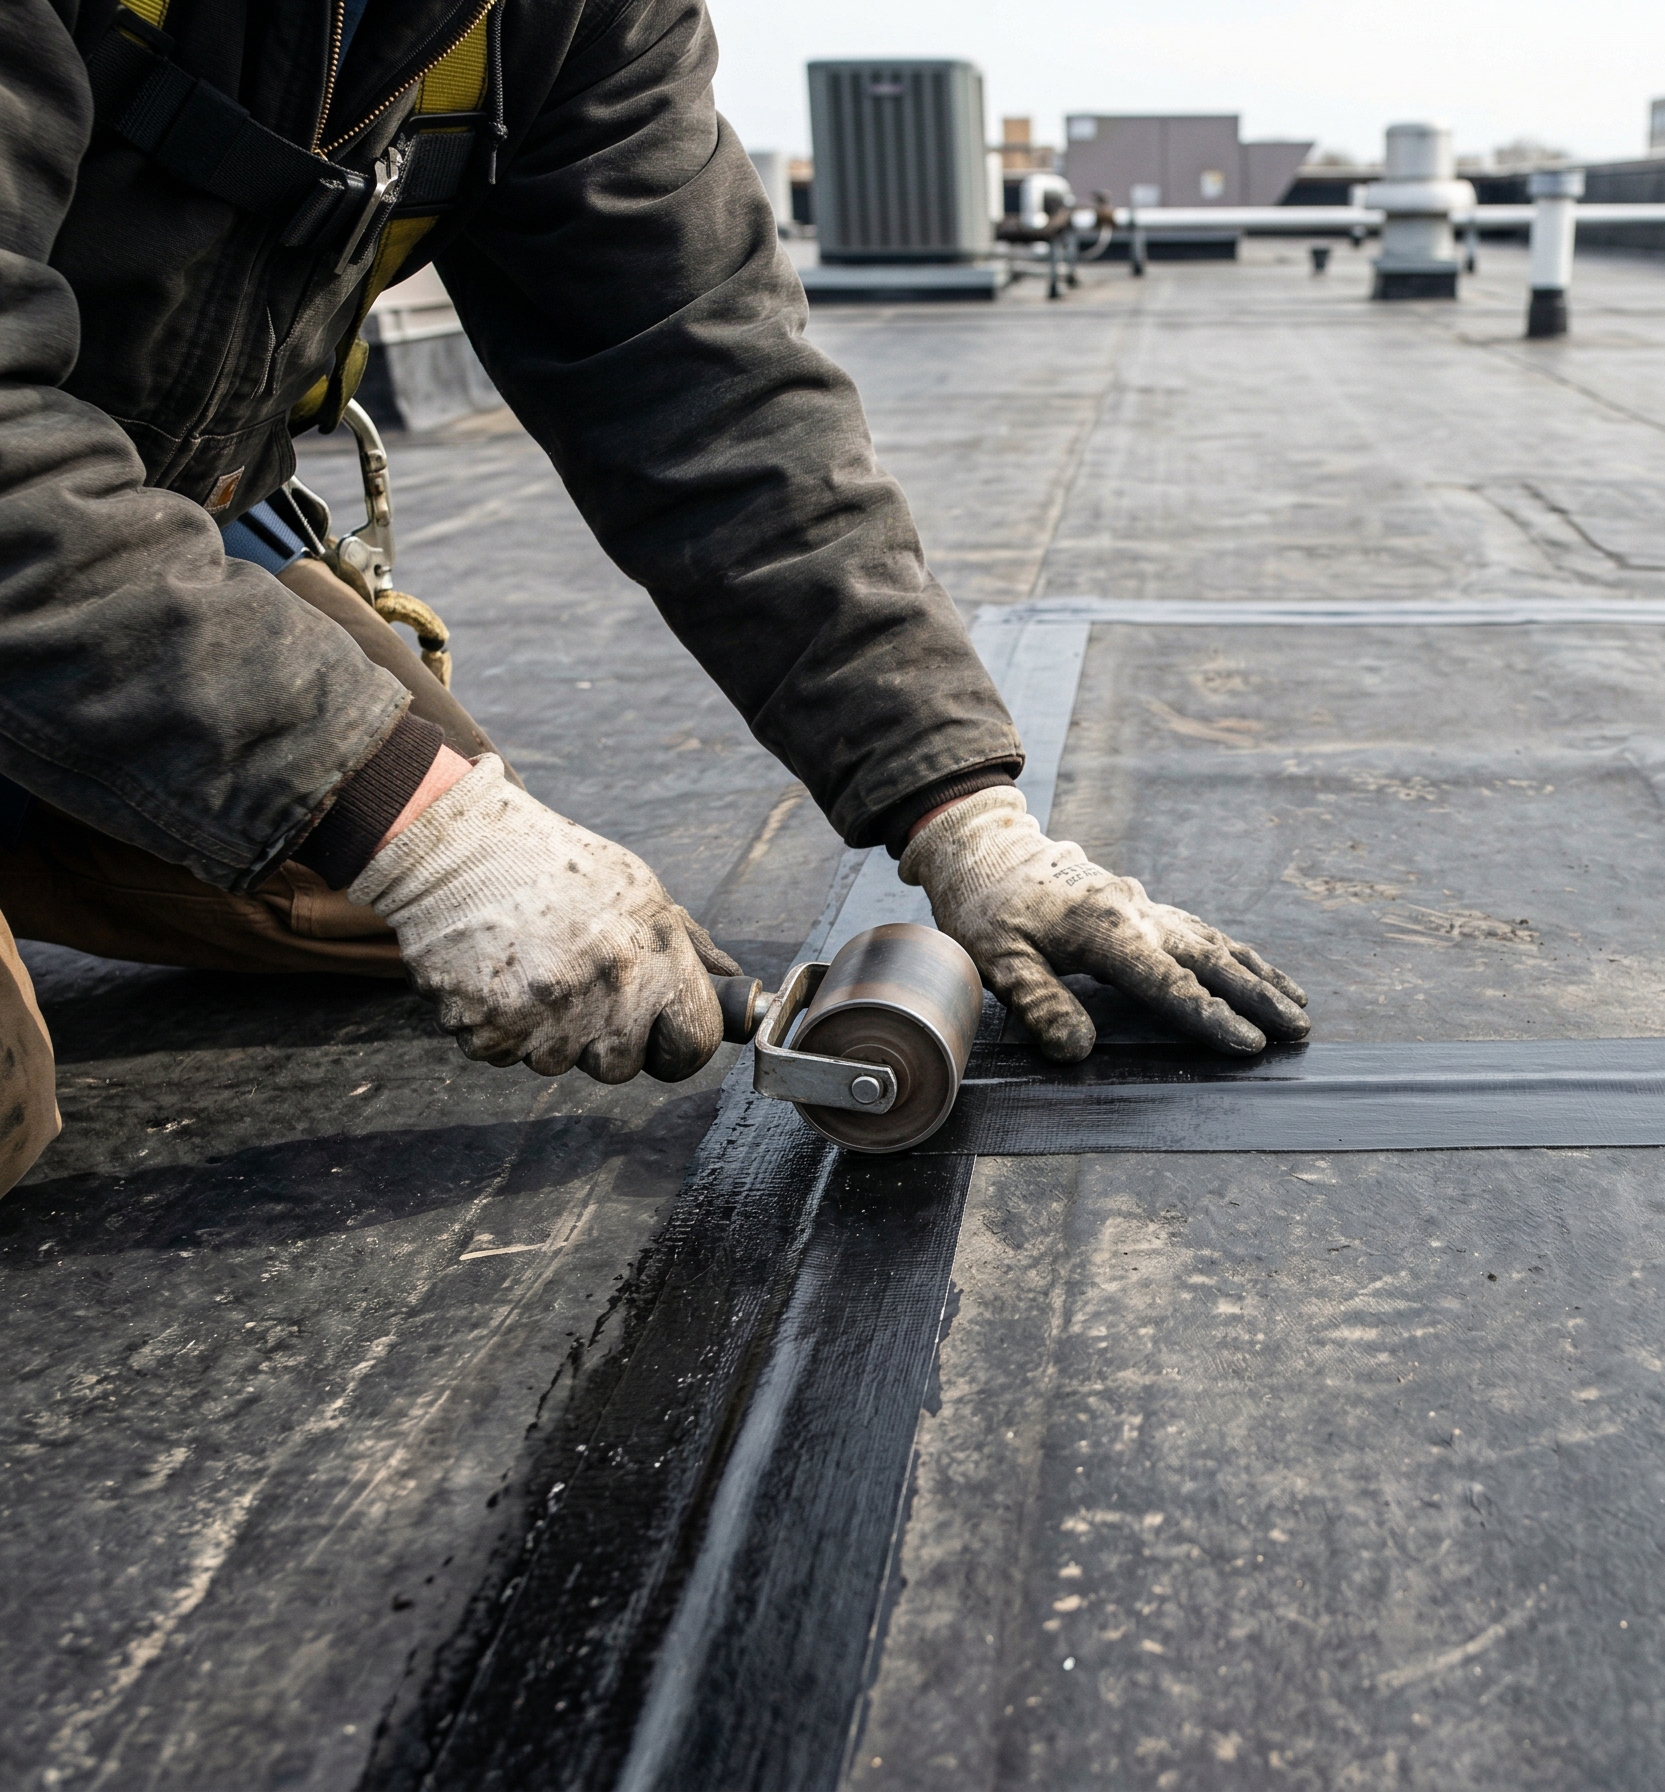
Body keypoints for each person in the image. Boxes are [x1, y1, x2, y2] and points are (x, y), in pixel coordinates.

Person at [0, 0, 1308, 1189]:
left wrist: (962, 814)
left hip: (128, 530)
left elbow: (706, 384)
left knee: (428, 887)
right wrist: (424, 833)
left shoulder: (553, 20)